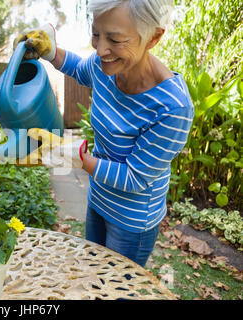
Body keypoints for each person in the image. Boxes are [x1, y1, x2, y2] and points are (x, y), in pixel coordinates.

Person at [16, 0, 194, 267]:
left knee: (115, 292)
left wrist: (70, 155)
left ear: (153, 37)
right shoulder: (105, 67)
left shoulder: (172, 107)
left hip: (131, 222)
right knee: (92, 279)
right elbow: (80, 68)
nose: (100, 50)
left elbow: (135, 178)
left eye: (115, 39)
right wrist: (51, 51)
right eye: (96, 34)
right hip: (98, 200)